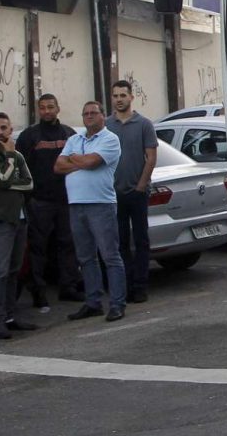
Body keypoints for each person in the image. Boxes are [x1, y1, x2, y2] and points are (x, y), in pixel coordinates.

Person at [55, 100, 127, 323]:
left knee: (110, 255)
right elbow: (58, 167)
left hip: (101, 204)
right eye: (85, 113)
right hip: (76, 204)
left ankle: (117, 304)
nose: (89, 116)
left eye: (93, 113)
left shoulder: (110, 139)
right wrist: (81, 161)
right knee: (86, 257)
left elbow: (93, 162)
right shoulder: (74, 139)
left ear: (102, 116)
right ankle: (93, 302)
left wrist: (75, 160)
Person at [16, 93, 82, 309]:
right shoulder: (29, 136)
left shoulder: (69, 134)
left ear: (58, 108)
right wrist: (28, 198)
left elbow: (78, 162)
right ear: (38, 110)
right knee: (38, 248)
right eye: (43, 108)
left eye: (50, 107)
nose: (47, 111)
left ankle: (68, 288)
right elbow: (20, 168)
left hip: (66, 200)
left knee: (68, 245)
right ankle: (38, 291)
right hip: (39, 201)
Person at [0, 111, 38, 340]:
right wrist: (9, 167)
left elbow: (29, 184)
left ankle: (11, 316)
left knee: (14, 270)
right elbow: (1, 178)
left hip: (18, 218)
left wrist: (6, 184)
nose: (0, 132)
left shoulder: (17, 155)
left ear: (11, 130)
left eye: (4, 128)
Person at [106, 80, 157, 304]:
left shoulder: (144, 124)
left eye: (123, 95)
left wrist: (140, 186)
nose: (119, 99)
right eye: (115, 96)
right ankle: (124, 286)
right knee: (120, 242)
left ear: (131, 97)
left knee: (141, 240)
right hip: (113, 195)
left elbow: (151, 157)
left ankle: (140, 286)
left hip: (137, 193)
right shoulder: (106, 125)